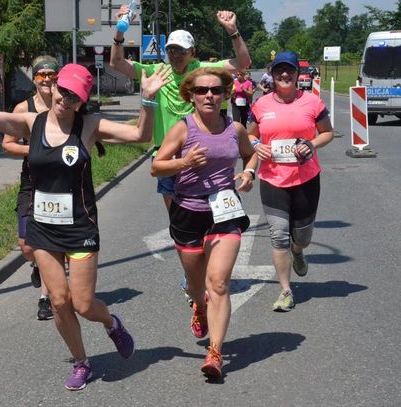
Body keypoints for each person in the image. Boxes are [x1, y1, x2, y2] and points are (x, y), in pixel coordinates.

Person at [0, 41, 172, 390]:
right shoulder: (31, 122)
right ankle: (82, 363)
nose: (65, 99)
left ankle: (111, 323)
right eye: (62, 90)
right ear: (54, 87)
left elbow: (140, 134)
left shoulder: (90, 126)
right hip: (43, 227)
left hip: (80, 228)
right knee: (59, 301)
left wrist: (149, 97)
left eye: (74, 96)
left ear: (82, 100)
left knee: (82, 303)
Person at [151, 67, 258, 378]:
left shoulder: (235, 129)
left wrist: (249, 173)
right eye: (201, 91)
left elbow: (251, 155)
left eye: (215, 90)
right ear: (191, 96)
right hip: (187, 213)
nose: (209, 95)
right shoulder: (183, 129)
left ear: (225, 94)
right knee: (198, 287)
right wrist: (184, 162)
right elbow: (156, 168)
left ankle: (215, 352)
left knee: (220, 283)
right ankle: (199, 305)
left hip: (225, 212)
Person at [110, 9, 251, 211]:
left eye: (181, 51)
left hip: (200, 154)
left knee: (208, 216)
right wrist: (119, 32)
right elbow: (116, 63)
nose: (175, 55)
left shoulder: (202, 71)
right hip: (167, 157)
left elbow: (243, 63)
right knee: (178, 222)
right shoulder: (156, 72)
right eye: (172, 50)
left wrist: (232, 30)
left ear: (192, 52)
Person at [248, 51, 334, 312]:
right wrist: (255, 145)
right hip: (273, 180)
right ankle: (285, 290)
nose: (284, 75)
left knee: (302, 237)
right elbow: (249, 135)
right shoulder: (261, 105)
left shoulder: (312, 102)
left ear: (298, 74)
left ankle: (299, 251)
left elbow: (328, 133)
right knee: (278, 236)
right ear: (272, 74)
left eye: (289, 71)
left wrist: (311, 143)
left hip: (306, 180)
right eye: (278, 71)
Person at [1, 55, 58, 321]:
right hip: (32, 180)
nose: (47, 79)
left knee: (47, 241)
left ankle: (45, 298)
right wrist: (36, 150)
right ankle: (35, 264)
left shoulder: (66, 105)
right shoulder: (22, 108)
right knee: (26, 246)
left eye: (51, 74)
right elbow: (7, 144)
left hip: (59, 182)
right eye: (42, 75)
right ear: (34, 78)